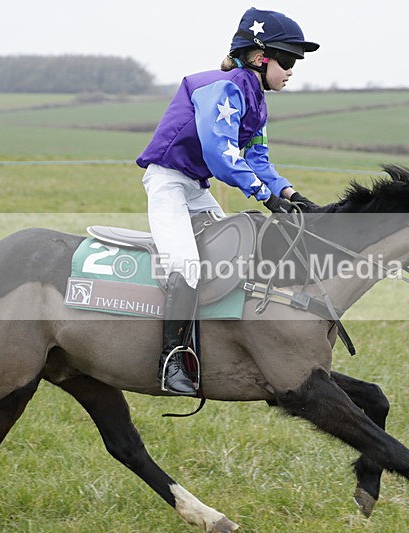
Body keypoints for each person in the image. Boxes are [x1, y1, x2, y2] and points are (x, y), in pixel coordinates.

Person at [136, 7, 320, 395]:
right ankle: (171, 362)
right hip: (168, 183)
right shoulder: (222, 88)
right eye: (287, 60)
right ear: (259, 57)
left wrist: (291, 194)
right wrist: (266, 197)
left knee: (231, 259)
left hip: (195, 190)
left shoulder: (257, 101)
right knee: (186, 268)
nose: (292, 69)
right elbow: (220, 154)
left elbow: (258, 161)